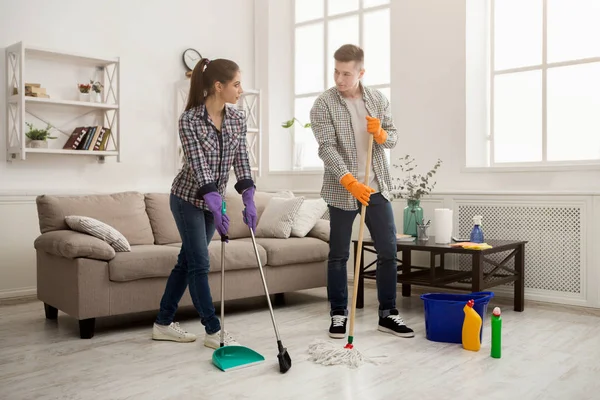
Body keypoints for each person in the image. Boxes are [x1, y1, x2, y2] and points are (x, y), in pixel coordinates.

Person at [152, 58, 258, 348]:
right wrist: (213, 202)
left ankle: (162, 322)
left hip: (215, 201)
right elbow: (199, 168)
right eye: (236, 84)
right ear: (218, 86)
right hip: (187, 199)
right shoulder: (189, 120)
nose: (241, 89)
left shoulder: (237, 118)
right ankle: (214, 330)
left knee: (186, 263)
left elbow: (242, 160)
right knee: (200, 263)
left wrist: (248, 197)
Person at [310, 44, 414, 339]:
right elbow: (326, 148)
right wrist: (348, 181)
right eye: (336, 72)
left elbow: (392, 138)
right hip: (343, 189)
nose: (339, 79)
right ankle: (338, 314)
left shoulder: (377, 100)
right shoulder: (323, 104)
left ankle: (388, 314)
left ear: (361, 72)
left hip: (376, 187)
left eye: (346, 73)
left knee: (388, 250)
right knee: (339, 254)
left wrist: (381, 134)